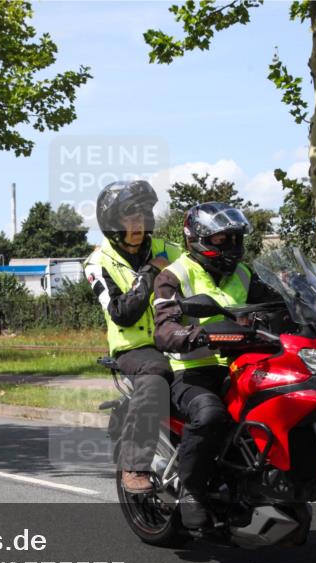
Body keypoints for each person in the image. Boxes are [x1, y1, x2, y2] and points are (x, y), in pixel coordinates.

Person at [153, 202, 277, 528]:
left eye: (235, 239)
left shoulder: (244, 273)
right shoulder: (173, 276)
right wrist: (194, 334)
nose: (232, 247)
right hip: (193, 372)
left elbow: (280, 305)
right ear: (198, 239)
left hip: (242, 364)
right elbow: (164, 328)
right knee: (210, 414)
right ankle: (192, 490)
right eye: (222, 240)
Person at [84, 181, 181, 494]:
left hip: (179, 338)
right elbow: (120, 312)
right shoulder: (98, 263)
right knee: (156, 374)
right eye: (129, 216)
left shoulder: (171, 250)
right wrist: (151, 274)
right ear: (113, 222)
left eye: (143, 214)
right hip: (136, 350)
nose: (138, 222)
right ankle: (134, 465)